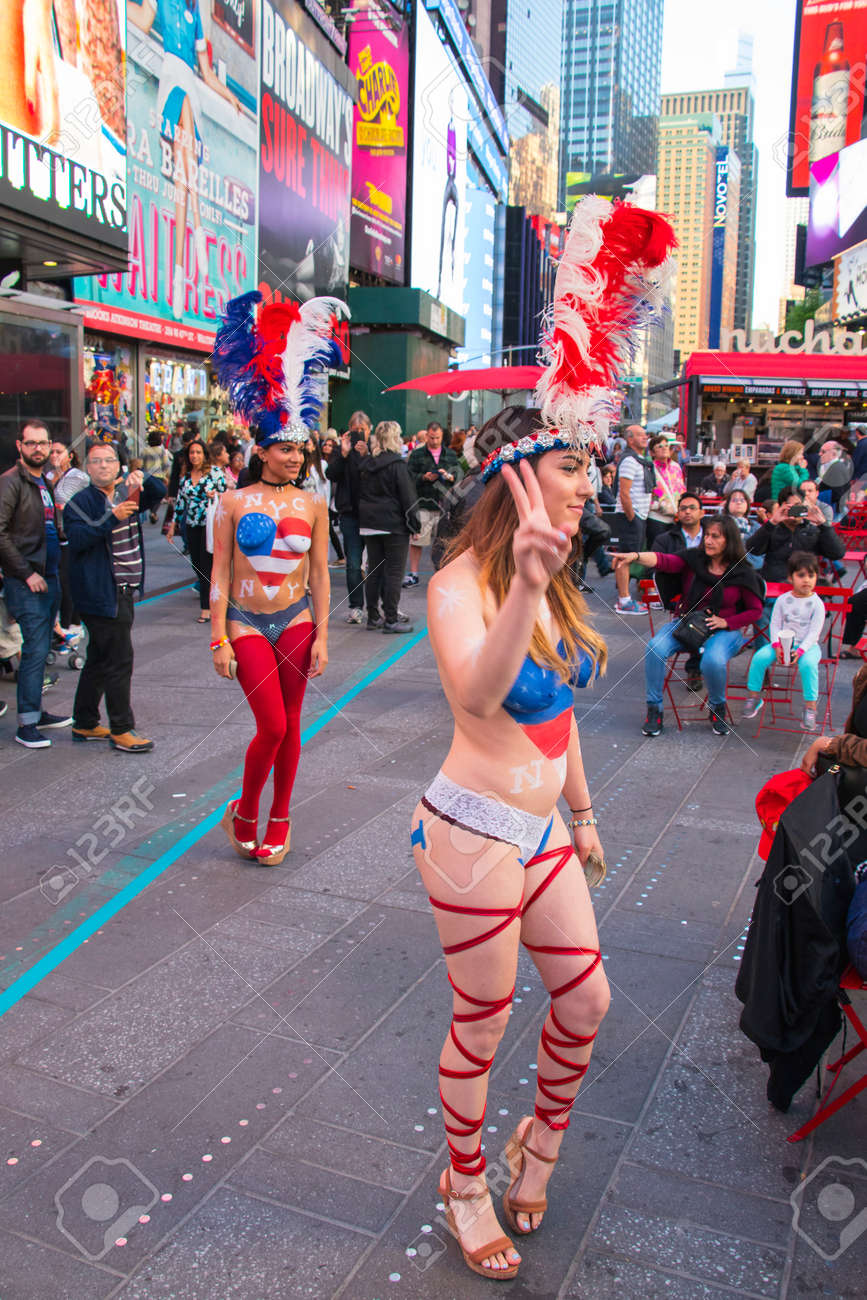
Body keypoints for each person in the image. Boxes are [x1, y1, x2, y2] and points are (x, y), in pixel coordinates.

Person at [412, 410, 610, 1278]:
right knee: (483, 1022)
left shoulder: (557, 576)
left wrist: (583, 814)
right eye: (572, 465)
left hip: (540, 832)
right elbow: (481, 698)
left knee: (587, 1002)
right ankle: (462, 1185)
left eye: (589, 467)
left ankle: (538, 1142)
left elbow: (558, 716)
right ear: (518, 476)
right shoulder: (458, 582)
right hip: (472, 834)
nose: (589, 483)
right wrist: (526, 583)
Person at [211, 291, 338, 866]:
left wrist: (325, 638)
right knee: (272, 724)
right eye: (286, 449)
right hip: (246, 621)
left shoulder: (314, 503)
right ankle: (245, 809)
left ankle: (279, 816)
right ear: (263, 451)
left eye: (301, 449)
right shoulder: (232, 501)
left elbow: (320, 576)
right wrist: (218, 636)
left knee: (293, 726)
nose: (296, 456)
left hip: (298, 621)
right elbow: (218, 572)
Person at [129, 0, 241, 319]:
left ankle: (179, 269)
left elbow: (207, 73)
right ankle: (199, 231)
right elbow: (142, 19)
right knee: (186, 138)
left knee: (184, 172)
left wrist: (230, 96)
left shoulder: (195, 17)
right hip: (171, 79)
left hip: (189, 83)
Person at [615, 515, 765, 737]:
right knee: (655, 648)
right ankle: (654, 709)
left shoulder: (742, 571)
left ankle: (717, 707)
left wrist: (727, 622)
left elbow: (755, 611)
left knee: (712, 660)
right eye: (707, 536)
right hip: (688, 623)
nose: (708, 541)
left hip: (725, 629)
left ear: (729, 540)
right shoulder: (693, 559)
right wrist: (635, 556)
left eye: (716, 536)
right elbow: (663, 560)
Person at [64, 445, 153, 753]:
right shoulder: (80, 502)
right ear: (87, 468)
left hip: (124, 587)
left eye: (109, 460)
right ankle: (121, 728)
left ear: (119, 465)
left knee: (100, 658)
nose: (103, 466)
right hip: (101, 592)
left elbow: (158, 492)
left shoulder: (127, 491)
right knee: (119, 659)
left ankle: (85, 721)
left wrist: (142, 479)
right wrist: (110, 518)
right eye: (96, 461)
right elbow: (76, 540)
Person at [0, 420, 72, 747]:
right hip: (26, 580)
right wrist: (26, 573)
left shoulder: (43, 480)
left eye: (43, 443)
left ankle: (36, 712)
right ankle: (26, 724)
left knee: (40, 649)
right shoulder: (11, 482)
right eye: (31, 443)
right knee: (35, 649)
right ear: (19, 446)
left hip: (49, 577)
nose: (38, 449)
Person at [743, 552, 825, 731]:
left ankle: (811, 708)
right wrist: (776, 646)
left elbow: (814, 632)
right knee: (759, 657)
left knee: (809, 665)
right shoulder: (782, 599)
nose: (806, 580)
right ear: (790, 577)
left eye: (811, 575)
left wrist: (801, 650)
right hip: (781, 644)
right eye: (801, 575)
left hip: (808, 646)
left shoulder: (817, 603)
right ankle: (754, 696)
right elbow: (775, 624)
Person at [358, 421, 418, 632]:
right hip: (393, 524)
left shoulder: (366, 465)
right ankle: (390, 618)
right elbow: (407, 497)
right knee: (394, 572)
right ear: (395, 438)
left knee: (373, 570)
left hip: (368, 523)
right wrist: (415, 525)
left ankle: (373, 616)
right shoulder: (397, 465)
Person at [166, 438, 227, 621]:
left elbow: (226, 496)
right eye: (192, 453)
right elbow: (180, 503)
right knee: (196, 564)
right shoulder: (185, 478)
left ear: (204, 455)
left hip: (210, 524)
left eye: (198, 452)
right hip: (191, 524)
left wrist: (215, 494)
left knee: (206, 565)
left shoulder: (215, 473)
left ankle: (206, 608)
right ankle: (214, 599)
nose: (195, 456)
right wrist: (172, 526)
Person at [404, 422, 463, 587]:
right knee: (417, 541)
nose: (434, 441)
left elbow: (459, 476)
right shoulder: (416, 454)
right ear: (426, 436)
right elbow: (408, 477)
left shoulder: (451, 454)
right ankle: (414, 574)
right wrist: (424, 477)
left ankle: (442, 574)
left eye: (437, 438)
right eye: (431, 437)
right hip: (423, 503)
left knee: (444, 542)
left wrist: (450, 477)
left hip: (444, 505)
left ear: (442, 437)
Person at [326, 410, 370, 622]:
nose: (359, 434)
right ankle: (356, 606)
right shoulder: (342, 452)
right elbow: (331, 474)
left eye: (363, 430)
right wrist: (343, 454)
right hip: (349, 514)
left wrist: (366, 455)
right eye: (355, 431)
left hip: (372, 514)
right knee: (353, 562)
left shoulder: (374, 452)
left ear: (369, 430)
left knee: (377, 563)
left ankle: (380, 606)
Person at [747, 488, 845, 584]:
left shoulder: (813, 530)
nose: (794, 510)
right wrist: (772, 523)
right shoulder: (772, 529)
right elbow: (753, 550)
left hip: (806, 584)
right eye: (791, 507)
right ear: (781, 507)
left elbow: (837, 553)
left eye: (798, 506)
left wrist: (824, 525)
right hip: (776, 583)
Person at [611, 424, 655, 614]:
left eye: (645, 435)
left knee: (628, 555)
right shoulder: (629, 460)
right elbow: (624, 492)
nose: (645, 438)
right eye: (640, 435)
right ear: (630, 439)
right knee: (625, 557)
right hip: (632, 516)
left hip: (639, 515)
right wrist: (632, 516)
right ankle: (624, 600)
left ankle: (625, 596)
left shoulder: (640, 460)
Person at [48, 443, 89, 634]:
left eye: (59, 451)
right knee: (56, 580)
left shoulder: (77, 477)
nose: (54, 455)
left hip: (70, 536)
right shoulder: (47, 475)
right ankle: (63, 625)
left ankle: (70, 626)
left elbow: (63, 501)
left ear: (70, 455)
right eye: (52, 451)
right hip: (50, 535)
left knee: (65, 581)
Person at [646, 434, 685, 544]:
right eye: (660, 446)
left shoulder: (676, 467)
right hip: (656, 517)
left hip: (675, 518)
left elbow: (681, 488)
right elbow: (652, 489)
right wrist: (659, 501)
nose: (664, 448)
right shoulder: (649, 468)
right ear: (652, 452)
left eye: (666, 445)